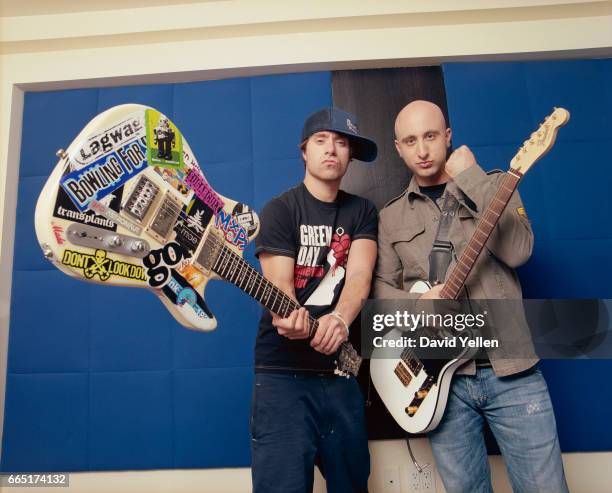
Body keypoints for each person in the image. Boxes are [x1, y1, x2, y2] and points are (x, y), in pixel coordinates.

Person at [374, 100, 568, 493]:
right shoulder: (391, 217)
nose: (423, 150)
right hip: (441, 383)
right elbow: (377, 292)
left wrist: (472, 178)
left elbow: (519, 252)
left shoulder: (494, 183)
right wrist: (417, 304)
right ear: (398, 148)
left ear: (447, 137)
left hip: (513, 370)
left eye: (430, 136)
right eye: (411, 141)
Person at [251, 107, 378, 493]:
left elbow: (359, 275)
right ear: (304, 151)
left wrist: (340, 320)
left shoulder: (362, 211)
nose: (331, 150)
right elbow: (279, 285)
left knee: (352, 486)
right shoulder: (280, 209)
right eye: (321, 141)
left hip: (341, 374)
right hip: (282, 377)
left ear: (350, 156)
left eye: (341, 143)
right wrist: (285, 312)